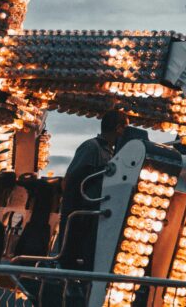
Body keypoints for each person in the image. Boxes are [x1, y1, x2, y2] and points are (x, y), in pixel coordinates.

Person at [59, 111, 129, 273]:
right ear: (119, 128)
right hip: (82, 214)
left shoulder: (113, 154)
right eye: (125, 127)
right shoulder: (91, 148)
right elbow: (72, 179)